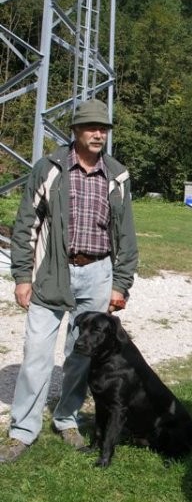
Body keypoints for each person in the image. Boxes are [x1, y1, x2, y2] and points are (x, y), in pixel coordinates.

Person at [0, 98, 138, 463]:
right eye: (91, 127)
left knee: (81, 355)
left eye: (103, 128)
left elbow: (126, 235)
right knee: (36, 354)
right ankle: (22, 431)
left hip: (98, 273)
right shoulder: (49, 168)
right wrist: (21, 277)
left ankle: (67, 419)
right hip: (52, 272)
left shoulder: (117, 175)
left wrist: (120, 283)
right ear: (75, 131)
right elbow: (26, 224)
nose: (98, 134)